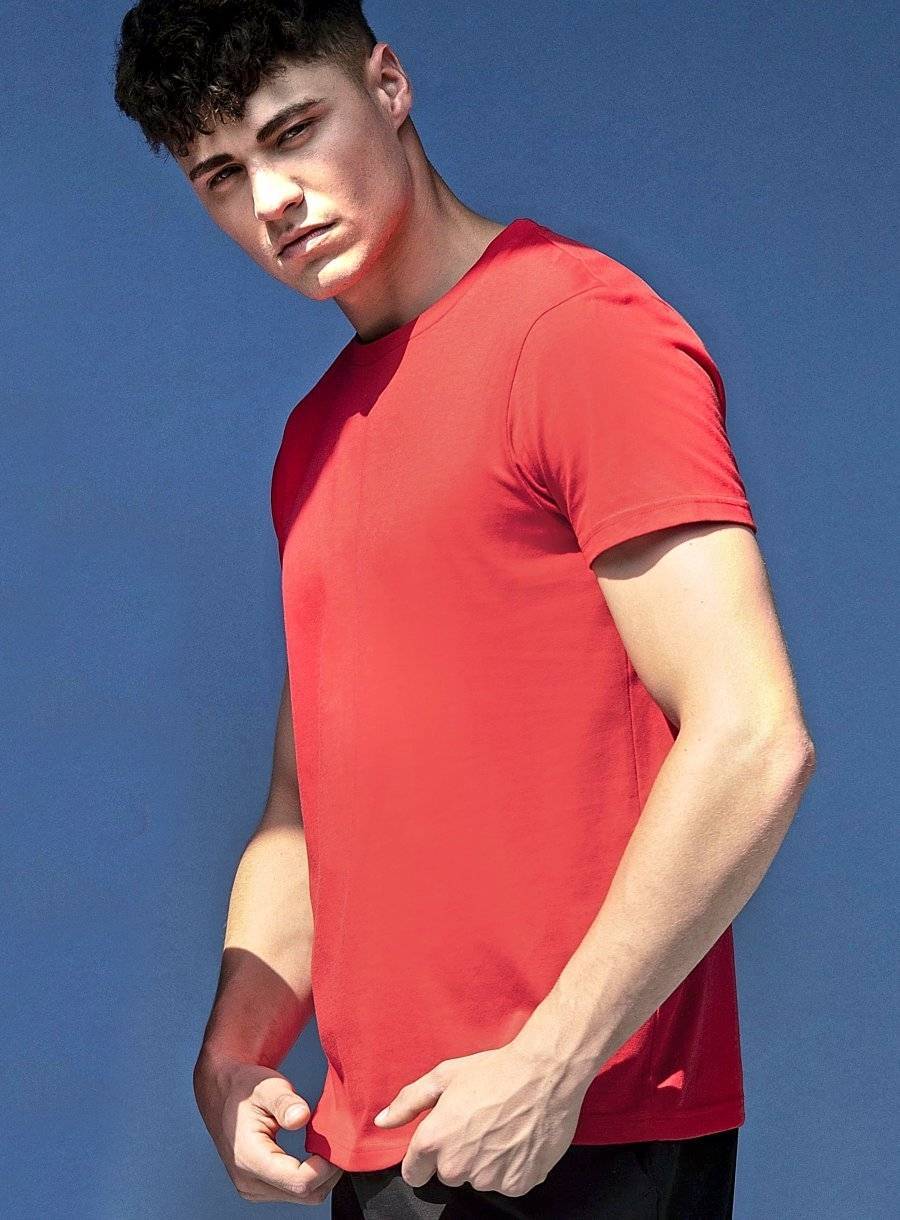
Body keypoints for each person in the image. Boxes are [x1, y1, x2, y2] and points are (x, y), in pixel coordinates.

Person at [113, 3, 817, 1216]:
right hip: (385, 1142)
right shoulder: (315, 437)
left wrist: (553, 1059)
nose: (272, 200)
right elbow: (302, 805)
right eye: (222, 175)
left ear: (388, 85)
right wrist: (230, 1051)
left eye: (294, 132)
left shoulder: (576, 330)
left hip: (573, 1129)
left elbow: (752, 735)